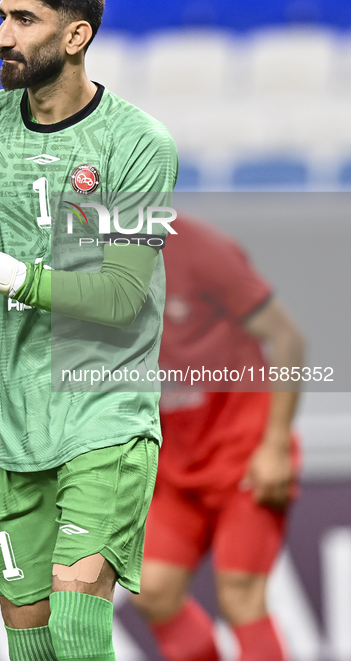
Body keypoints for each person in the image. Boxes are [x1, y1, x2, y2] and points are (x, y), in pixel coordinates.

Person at [0, 0, 177, 661]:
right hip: (12, 420)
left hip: (104, 410)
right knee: (32, 649)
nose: (1, 36)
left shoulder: (137, 144)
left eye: (24, 20)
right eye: (2, 17)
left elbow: (119, 297)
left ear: (76, 36)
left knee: (77, 630)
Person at [131, 213, 305, 661]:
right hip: (175, 464)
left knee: (241, 597)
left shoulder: (202, 249)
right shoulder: (90, 263)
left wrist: (275, 444)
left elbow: (287, 338)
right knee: (151, 591)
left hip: (243, 453)